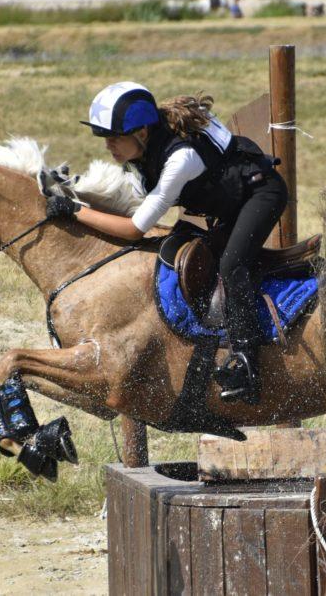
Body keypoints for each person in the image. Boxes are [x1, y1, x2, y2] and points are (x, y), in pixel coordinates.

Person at [45, 82, 288, 405]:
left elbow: (134, 228)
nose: (109, 146)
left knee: (232, 264)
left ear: (142, 132)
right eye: (106, 138)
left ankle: (247, 363)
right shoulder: (148, 147)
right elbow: (131, 197)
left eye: (115, 137)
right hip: (227, 203)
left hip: (262, 193)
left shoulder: (181, 158)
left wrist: (76, 211)